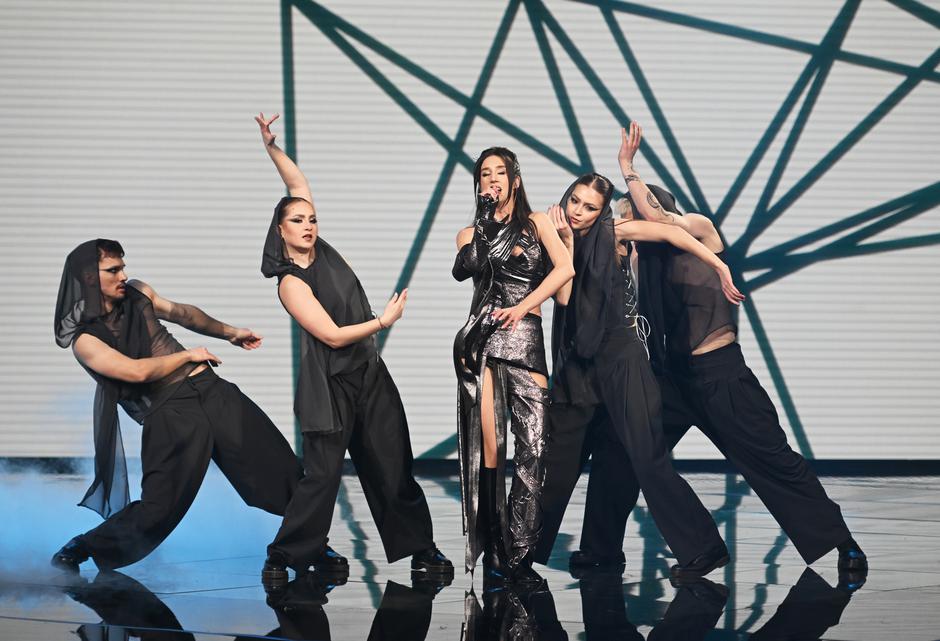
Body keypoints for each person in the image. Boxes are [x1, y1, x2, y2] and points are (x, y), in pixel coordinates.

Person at [574, 121, 867, 575]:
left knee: (770, 459)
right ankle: (603, 550)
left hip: (721, 376)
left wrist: (627, 168)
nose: (629, 228)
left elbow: (662, 222)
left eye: (632, 218)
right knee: (618, 445)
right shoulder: (639, 260)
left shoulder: (698, 230)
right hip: (673, 380)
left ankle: (842, 543)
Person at [255, 113, 452, 587]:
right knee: (323, 477)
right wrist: (382, 321)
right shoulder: (290, 282)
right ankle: (283, 555)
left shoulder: (321, 249)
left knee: (393, 464)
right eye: (297, 220)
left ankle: (421, 548)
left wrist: (272, 148)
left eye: (311, 218)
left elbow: (297, 183)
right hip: (330, 385)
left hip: (368, 373)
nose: (308, 225)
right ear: (280, 230)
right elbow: (331, 335)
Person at [533, 170, 744, 579]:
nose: (578, 211)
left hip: (623, 361)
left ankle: (702, 548)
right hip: (578, 367)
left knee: (645, 459)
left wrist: (719, 266)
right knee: (556, 464)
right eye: (575, 201)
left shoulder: (614, 232)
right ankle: (523, 554)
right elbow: (563, 297)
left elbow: (673, 233)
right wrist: (565, 243)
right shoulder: (554, 233)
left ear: (602, 211)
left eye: (590, 207)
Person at [51, 238, 300, 572]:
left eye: (123, 267)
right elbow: (136, 371)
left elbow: (184, 314)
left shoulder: (138, 293)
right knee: (158, 509)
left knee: (282, 472)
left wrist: (230, 332)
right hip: (170, 412)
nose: (123, 275)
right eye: (113, 270)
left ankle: (310, 546)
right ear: (89, 278)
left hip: (212, 390)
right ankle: (82, 547)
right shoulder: (85, 340)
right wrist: (188, 355)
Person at [453, 146, 575, 584]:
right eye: (484, 174)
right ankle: (495, 549)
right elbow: (465, 268)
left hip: (525, 336)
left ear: (515, 180)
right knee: (492, 449)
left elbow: (565, 275)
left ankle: (519, 551)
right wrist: (484, 221)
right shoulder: (469, 233)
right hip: (484, 342)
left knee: (534, 449)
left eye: (499, 172)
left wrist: (524, 306)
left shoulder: (538, 224)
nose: (492, 179)